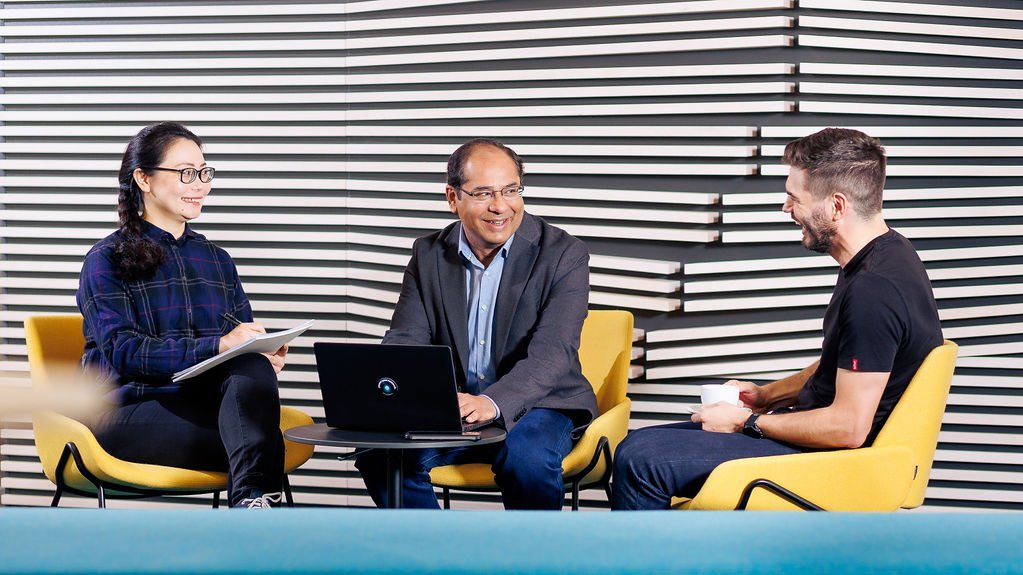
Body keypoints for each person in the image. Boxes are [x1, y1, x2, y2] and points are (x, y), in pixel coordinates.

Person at [611, 128, 943, 510]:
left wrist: (746, 423)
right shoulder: (890, 255)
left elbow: (848, 428)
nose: (787, 209)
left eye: (794, 198)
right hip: (819, 443)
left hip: (839, 463)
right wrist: (767, 396)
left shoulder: (875, 290)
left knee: (640, 461)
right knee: (638, 444)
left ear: (836, 206)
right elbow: (851, 361)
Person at [355, 138, 597, 509]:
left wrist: (492, 401)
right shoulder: (428, 254)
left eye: (511, 190)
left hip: (541, 404)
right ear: (453, 198)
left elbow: (554, 352)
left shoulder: (564, 254)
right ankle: (436, 561)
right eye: (483, 193)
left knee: (527, 459)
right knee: (378, 452)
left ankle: (532, 566)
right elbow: (408, 339)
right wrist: (413, 398)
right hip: (456, 407)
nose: (500, 206)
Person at [77, 122, 288, 509]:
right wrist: (220, 345)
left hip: (201, 405)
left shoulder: (217, 260)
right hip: (124, 412)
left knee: (252, 375)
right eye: (186, 173)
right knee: (263, 439)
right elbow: (124, 351)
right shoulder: (105, 259)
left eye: (204, 173)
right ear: (144, 178)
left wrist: (259, 353)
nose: (200, 185)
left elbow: (239, 342)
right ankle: (256, 508)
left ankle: (250, 506)